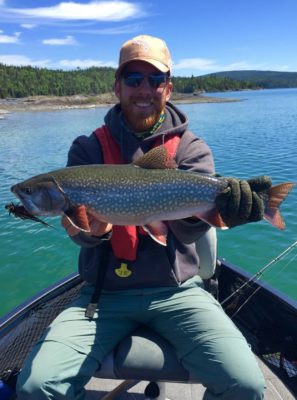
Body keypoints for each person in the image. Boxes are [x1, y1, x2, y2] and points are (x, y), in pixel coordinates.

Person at [16, 34, 268, 399]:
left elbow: (188, 230)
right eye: (134, 79)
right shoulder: (86, 149)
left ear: (169, 88)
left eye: (155, 80)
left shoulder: (190, 149)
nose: (144, 89)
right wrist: (95, 230)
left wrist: (229, 209)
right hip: (103, 296)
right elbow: (80, 235)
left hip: (178, 292)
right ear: (117, 87)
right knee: (37, 386)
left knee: (245, 386)